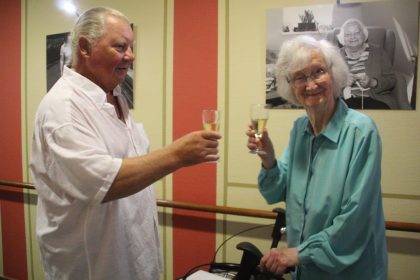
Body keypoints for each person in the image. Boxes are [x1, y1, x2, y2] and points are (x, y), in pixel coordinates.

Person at [30, 7, 220, 280]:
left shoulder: (114, 95)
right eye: (120, 46)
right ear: (84, 47)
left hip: (133, 261)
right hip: (93, 268)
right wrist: (177, 155)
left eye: (131, 46)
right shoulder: (64, 109)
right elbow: (103, 183)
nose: (131, 56)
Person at [246, 35, 387, 279]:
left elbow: (356, 217)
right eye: (300, 77)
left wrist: (298, 253)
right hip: (307, 269)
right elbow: (275, 191)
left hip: (349, 272)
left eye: (318, 72)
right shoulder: (299, 129)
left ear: (334, 74)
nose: (310, 84)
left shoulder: (361, 131)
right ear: (290, 86)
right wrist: (267, 157)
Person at [337, 18, 396, 109]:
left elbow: (392, 80)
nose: (353, 37)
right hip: (345, 100)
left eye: (357, 33)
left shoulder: (378, 51)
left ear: (364, 35)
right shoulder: (336, 56)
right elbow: (327, 84)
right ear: (342, 38)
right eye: (348, 34)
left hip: (373, 99)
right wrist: (343, 84)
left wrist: (373, 82)